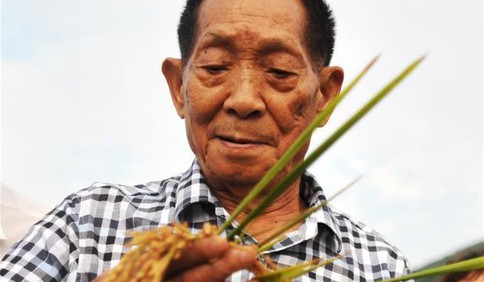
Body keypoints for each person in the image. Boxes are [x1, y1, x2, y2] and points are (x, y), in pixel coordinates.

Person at [0, 0, 411, 281]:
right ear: (178, 86)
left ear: (324, 96)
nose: (244, 99)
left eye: (280, 72)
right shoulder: (89, 222)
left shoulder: (380, 267)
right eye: (215, 66)